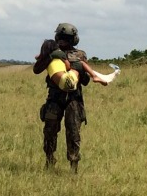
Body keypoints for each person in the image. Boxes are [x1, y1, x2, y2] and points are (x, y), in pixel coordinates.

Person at [33, 23, 91, 174]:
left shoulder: (80, 55)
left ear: (73, 39)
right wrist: (50, 57)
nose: (62, 41)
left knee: (73, 132)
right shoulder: (51, 52)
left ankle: (73, 166)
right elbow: (36, 69)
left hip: (73, 99)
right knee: (50, 130)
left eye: (66, 38)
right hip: (54, 98)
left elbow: (85, 80)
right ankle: (49, 159)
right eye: (61, 37)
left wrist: (77, 68)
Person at [38, 39, 119, 91]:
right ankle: (95, 76)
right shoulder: (59, 55)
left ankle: (100, 76)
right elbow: (68, 66)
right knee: (81, 64)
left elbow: (37, 58)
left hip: (62, 87)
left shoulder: (47, 60)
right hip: (69, 81)